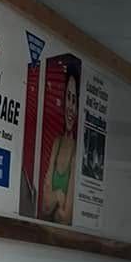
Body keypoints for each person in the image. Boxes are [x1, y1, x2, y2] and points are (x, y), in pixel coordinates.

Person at [39, 61, 80, 224]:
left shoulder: (77, 150)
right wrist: (58, 197)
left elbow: (66, 217)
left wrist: (53, 198)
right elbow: (44, 207)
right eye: (68, 98)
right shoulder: (57, 142)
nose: (70, 106)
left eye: (74, 100)